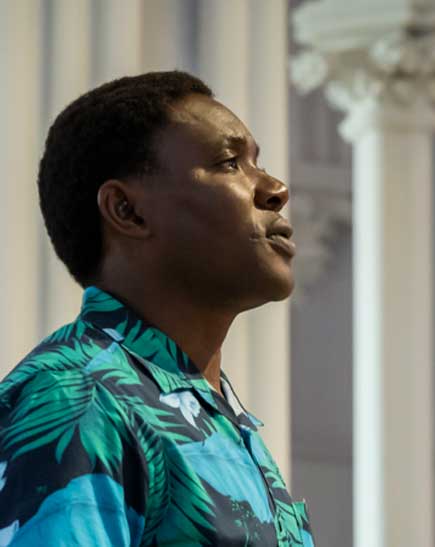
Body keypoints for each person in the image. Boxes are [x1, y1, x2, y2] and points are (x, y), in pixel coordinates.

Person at [0, 71, 313, 546]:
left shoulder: (214, 414)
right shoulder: (79, 397)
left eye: (256, 162)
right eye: (230, 163)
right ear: (127, 211)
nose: (274, 188)